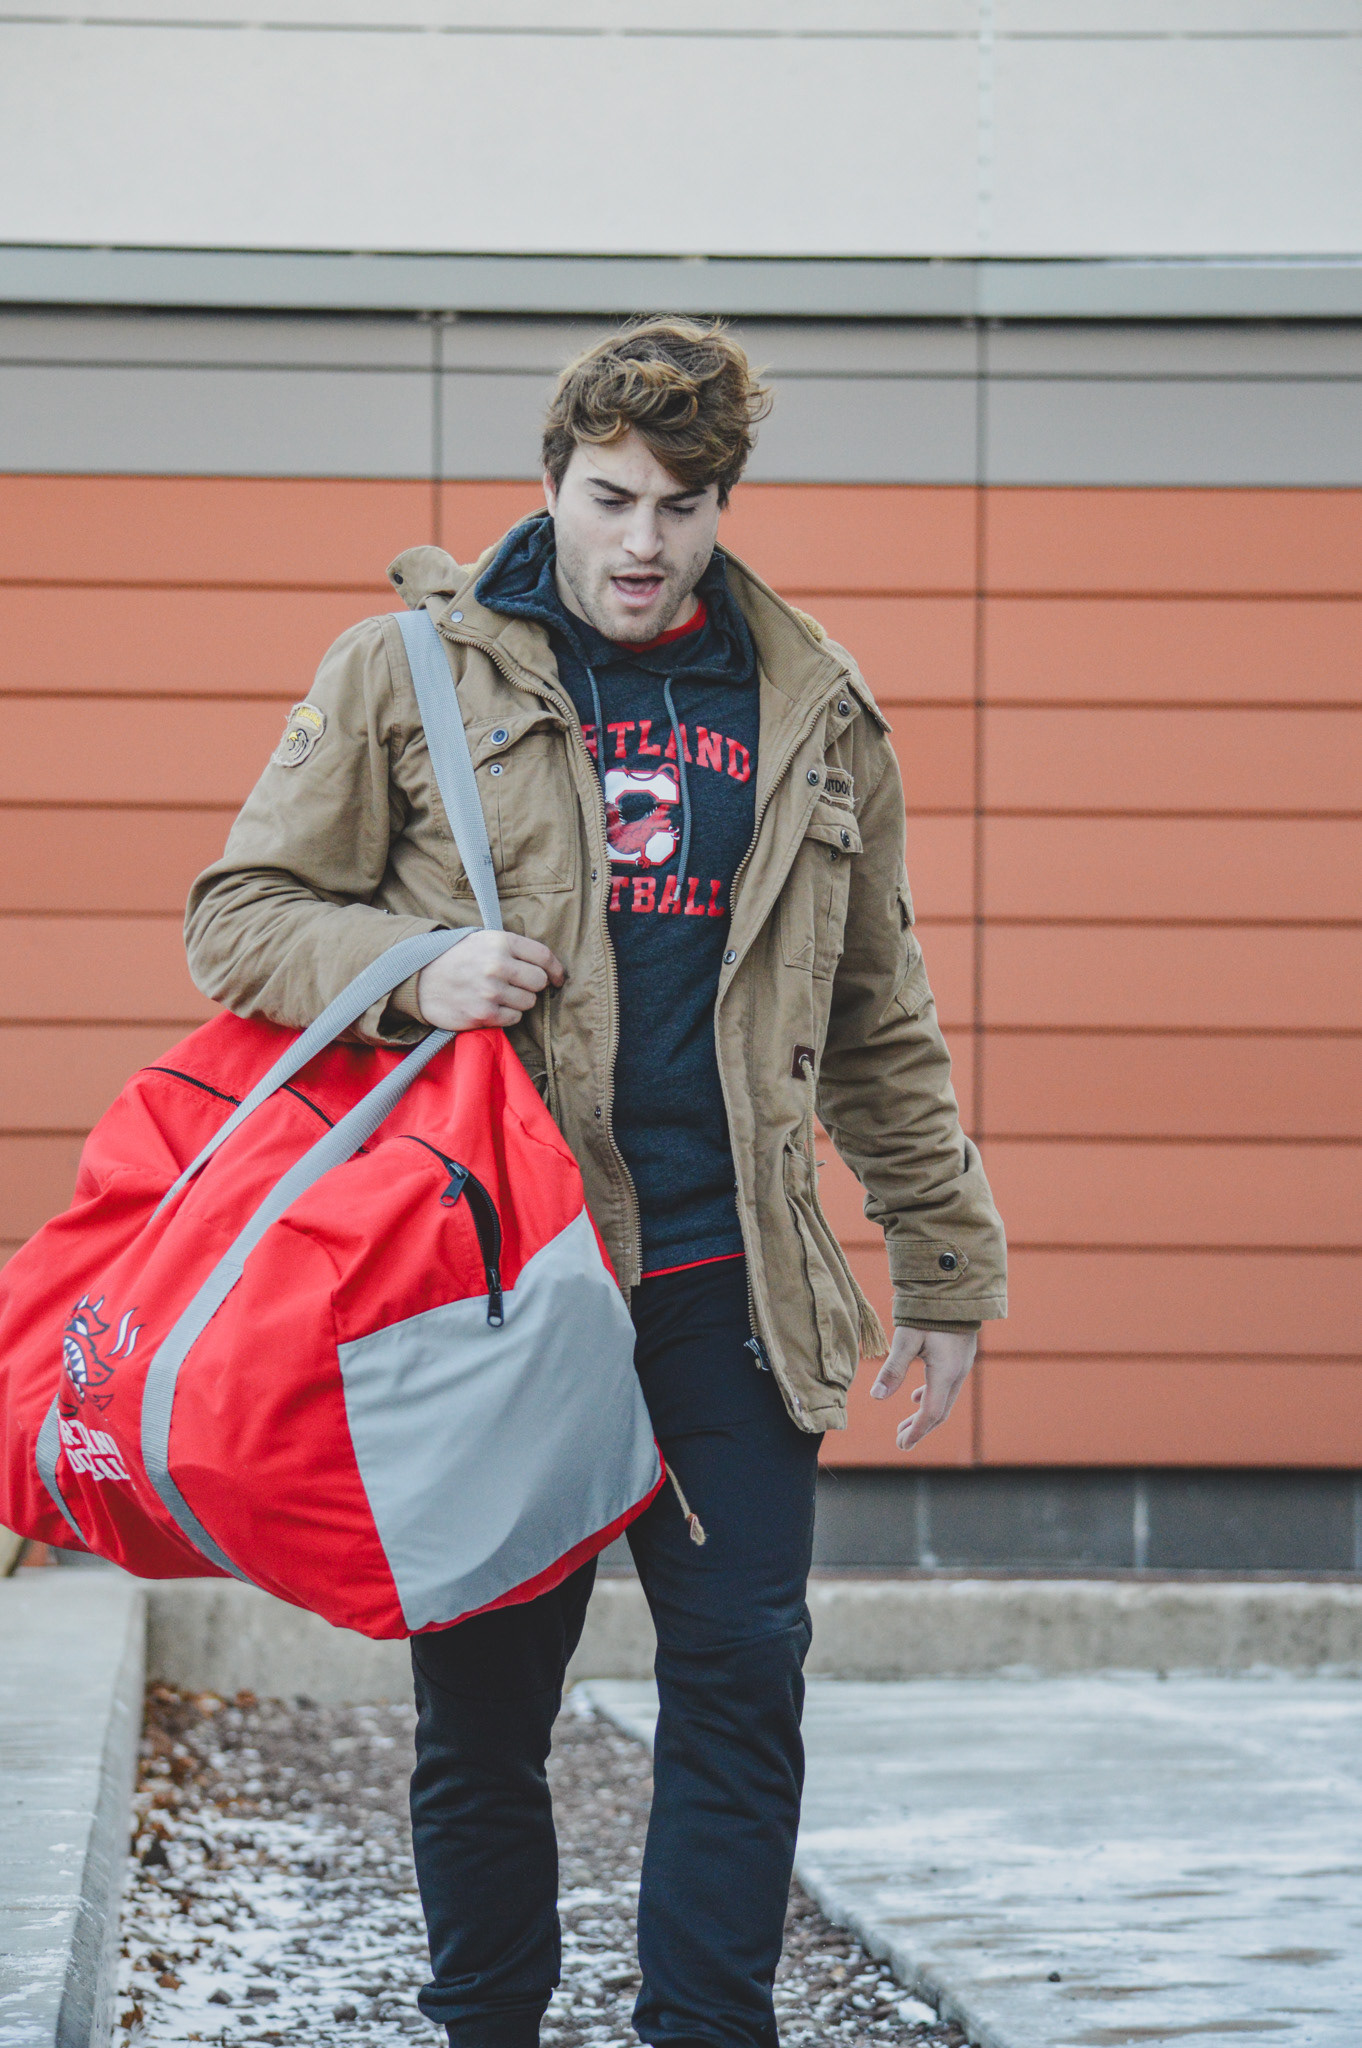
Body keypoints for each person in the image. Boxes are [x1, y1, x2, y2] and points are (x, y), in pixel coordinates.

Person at [185, 317, 1007, 2048]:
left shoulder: (810, 706)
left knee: (742, 1682)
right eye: (611, 499)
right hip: (499, 1286)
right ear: (551, 481)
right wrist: (415, 968)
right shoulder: (406, 672)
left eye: (681, 507)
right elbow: (237, 918)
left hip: (724, 1281)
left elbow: (876, 1013)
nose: (644, 543)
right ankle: (487, 2022)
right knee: (485, 1714)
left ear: (724, 505)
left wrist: (943, 1265)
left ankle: (704, 2029)